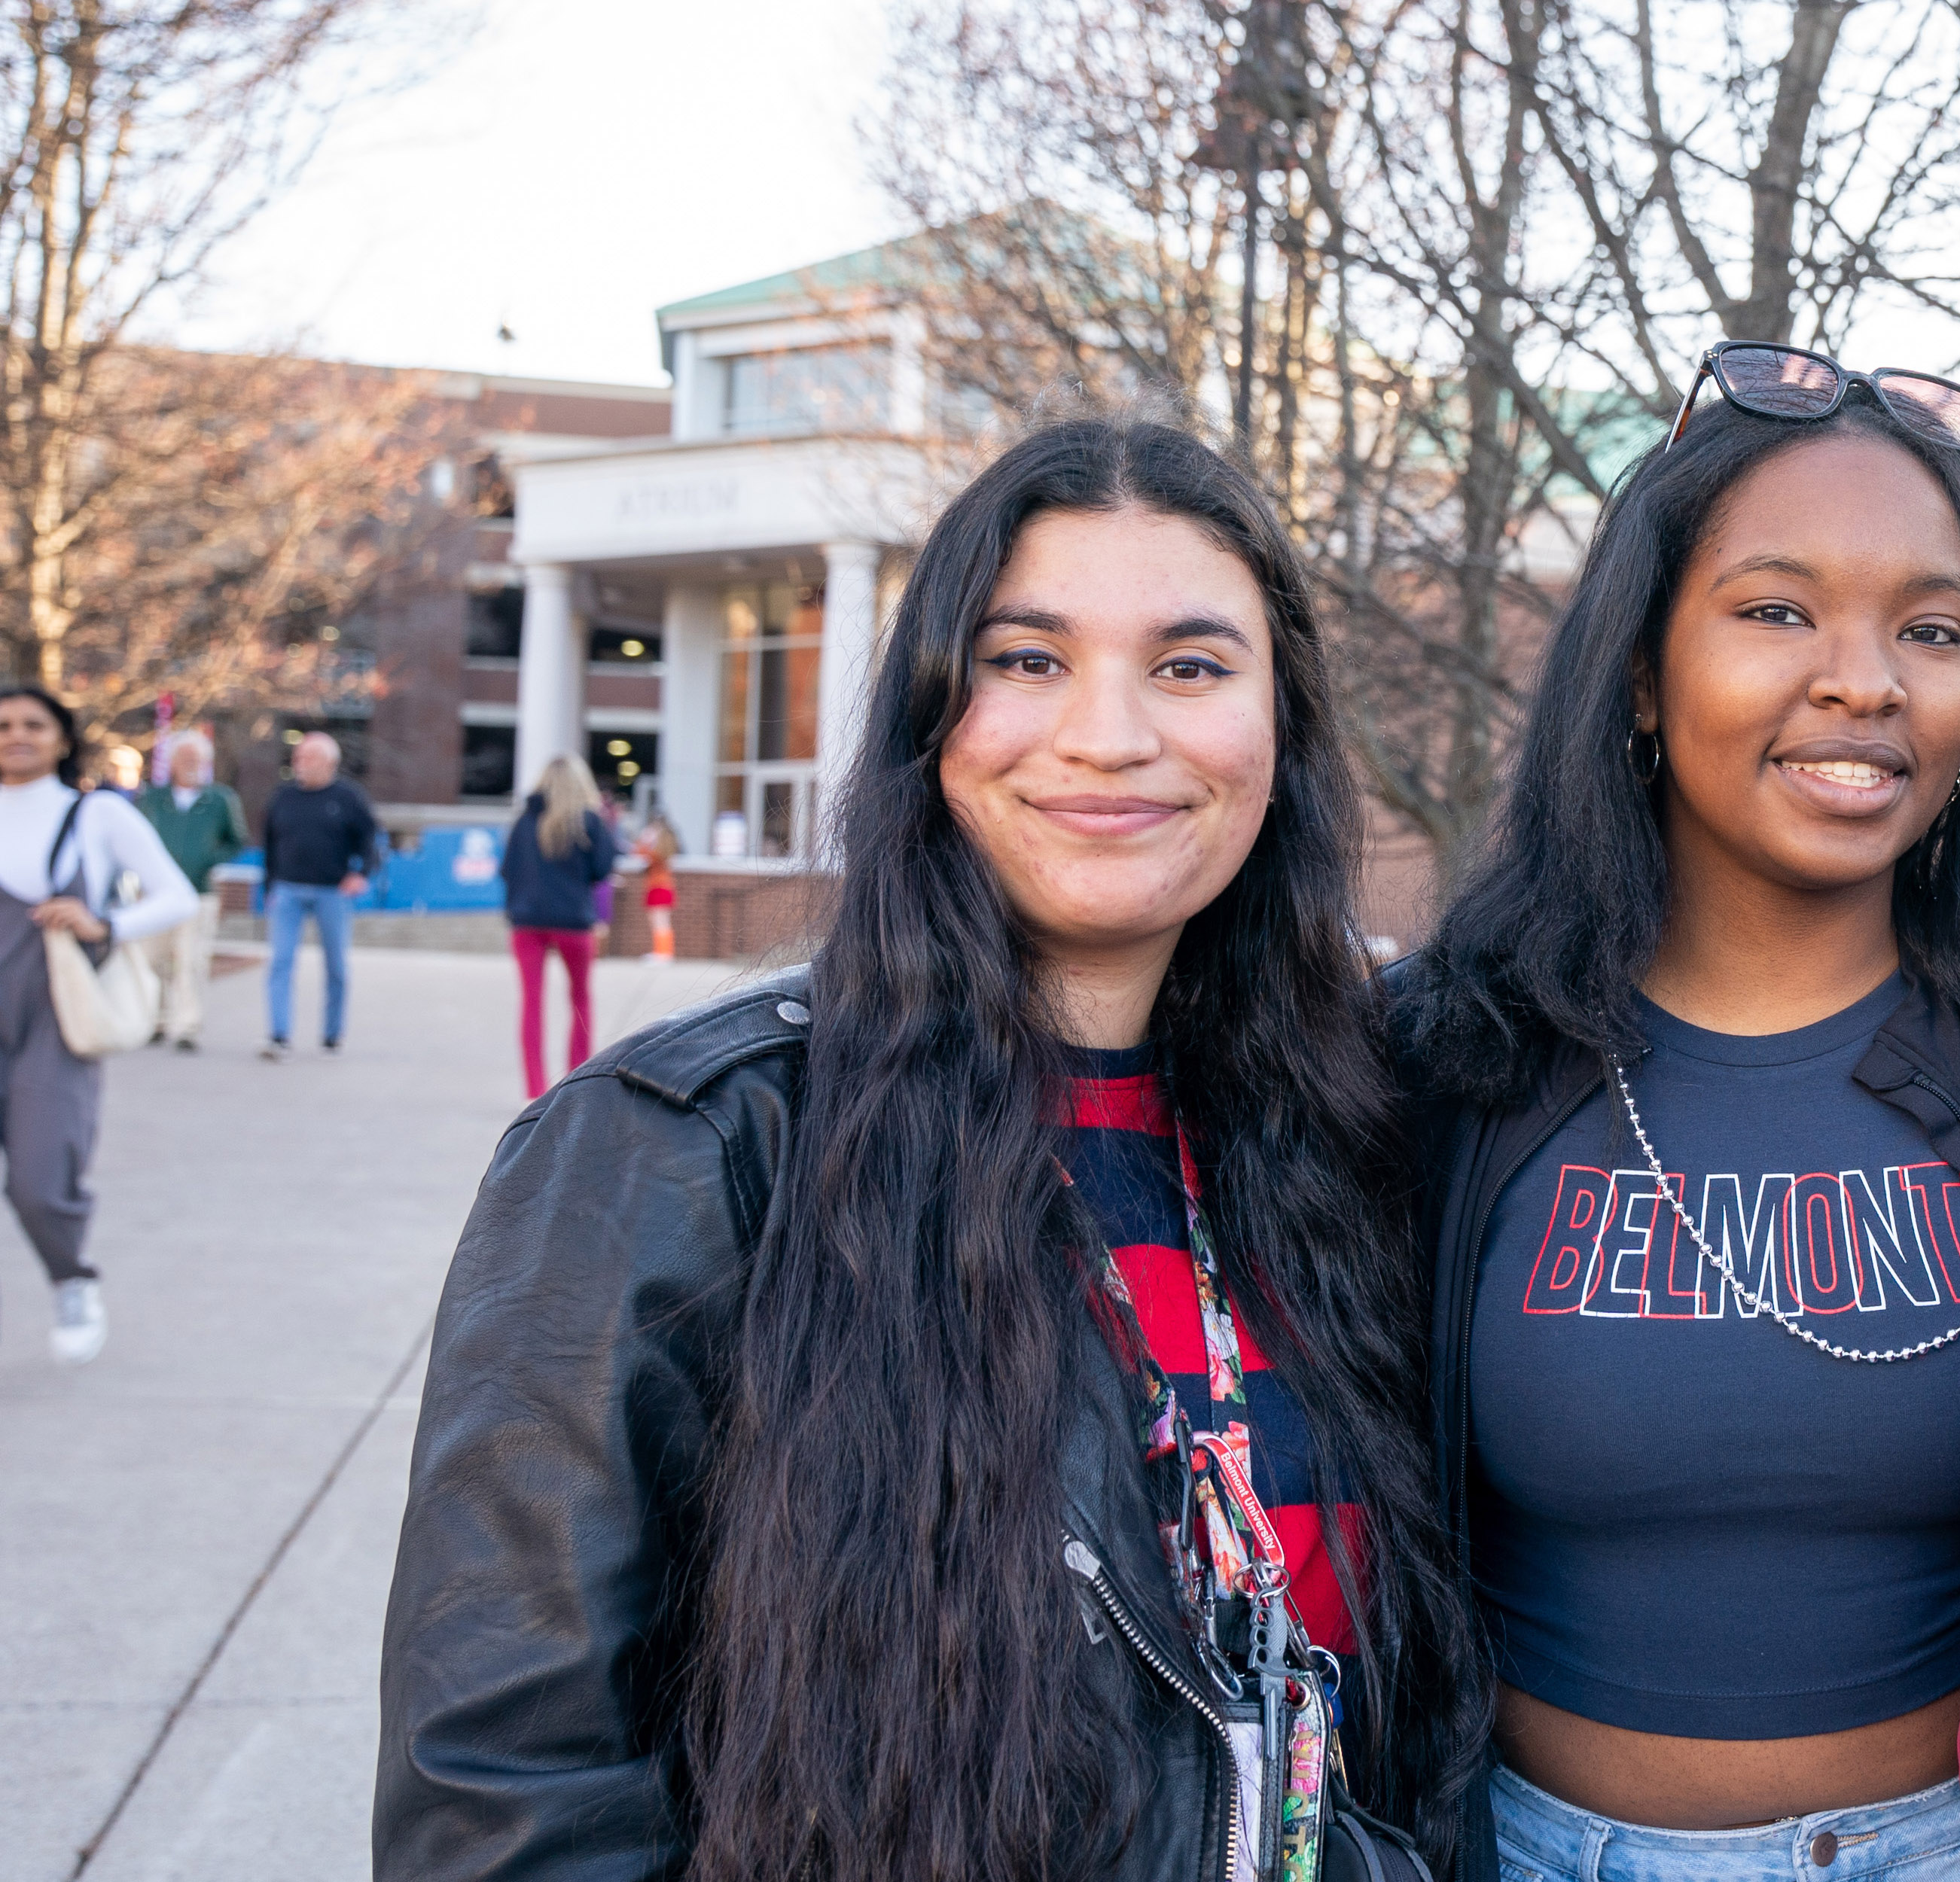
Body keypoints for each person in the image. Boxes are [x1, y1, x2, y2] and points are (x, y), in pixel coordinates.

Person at [376, 422, 1473, 1877]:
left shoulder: (1364, 1132)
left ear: (1282, 730)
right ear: (930, 715)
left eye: (1192, 666)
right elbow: (511, 1797)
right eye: (1029, 659)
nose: (1110, 733)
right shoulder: (684, 1150)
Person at [1386, 341, 1960, 1878]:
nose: (1866, 677)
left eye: (1931, 627)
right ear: (1641, 675)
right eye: (1777, 610)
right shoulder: (1446, 1061)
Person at [0, 688, 203, 1365]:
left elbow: (174, 893)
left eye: (33, 725)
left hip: (54, 1023)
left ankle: (71, 1280)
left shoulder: (95, 817)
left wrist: (105, 923)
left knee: (40, 1175)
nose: (16, 736)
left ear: (62, 739)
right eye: (3, 726)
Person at [495, 756, 620, 1096]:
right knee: (580, 999)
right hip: (573, 922)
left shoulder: (524, 821)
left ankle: (534, 1088)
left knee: (531, 1003)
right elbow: (604, 867)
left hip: (528, 921)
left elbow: (506, 870)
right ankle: (576, 1085)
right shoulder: (589, 821)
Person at [257, 729, 382, 1061]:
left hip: (332, 892)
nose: (300, 763)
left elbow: (370, 840)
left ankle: (332, 1034)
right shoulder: (282, 797)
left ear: (329, 763)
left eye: (309, 757)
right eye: (298, 757)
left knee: (336, 966)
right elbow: (269, 844)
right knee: (281, 963)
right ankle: (279, 1035)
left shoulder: (348, 798)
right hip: (287, 889)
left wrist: (361, 874)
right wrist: (269, 886)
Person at [130, 730, 242, 1052]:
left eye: (197, 759)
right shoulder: (153, 799)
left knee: (190, 960)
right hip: (154, 893)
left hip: (197, 892)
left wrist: (208, 860)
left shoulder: (220, 800)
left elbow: (235, 841)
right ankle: (156, 1020)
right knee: (151, 959)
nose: (191, 765)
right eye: (185, 759)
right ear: (173, 763)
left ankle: (187, 1026)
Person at [634, 813, 680, 960]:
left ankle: (663, 954)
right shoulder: (666, 847)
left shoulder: (657, 852)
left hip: (657, 887)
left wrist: (645, 839)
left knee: (659, 922)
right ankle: (663, 953)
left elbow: (639, 852)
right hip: (664, 887)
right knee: (662, 922)